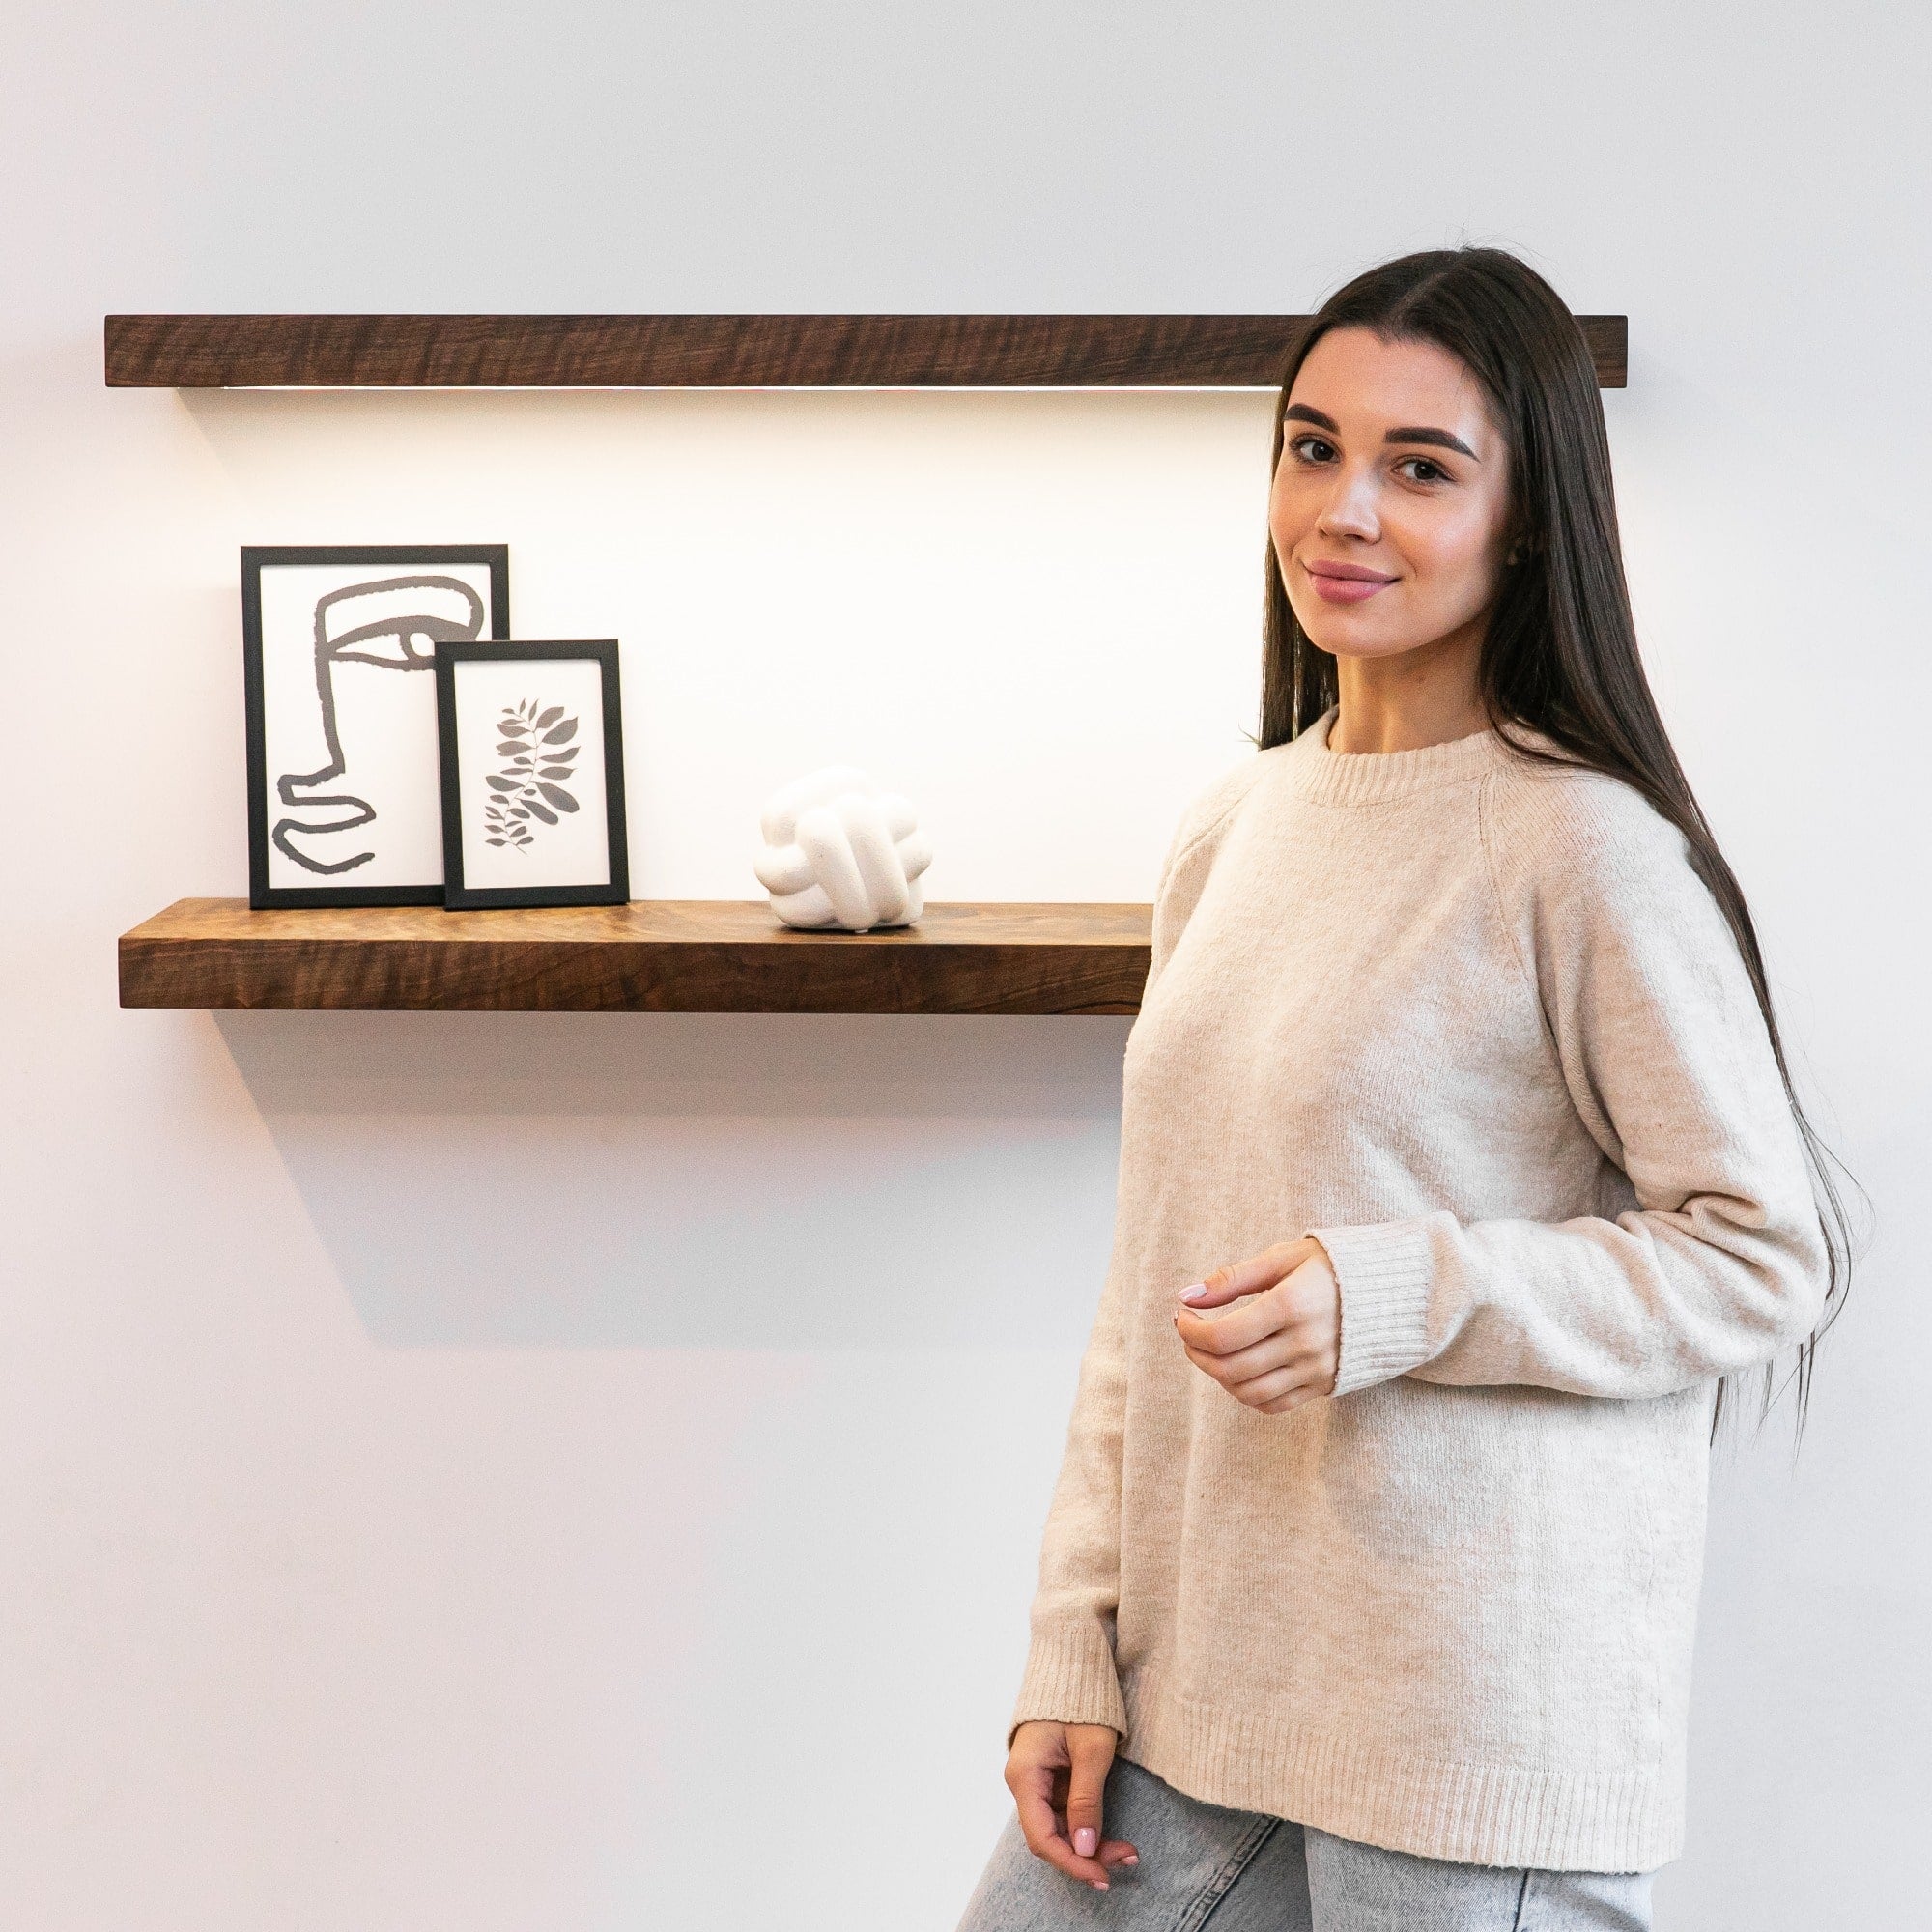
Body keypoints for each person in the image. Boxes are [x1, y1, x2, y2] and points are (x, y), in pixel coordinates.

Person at [956, 247, 1850, 1932]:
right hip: (1195, 1690)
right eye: (1312, 448)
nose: (1343, 510)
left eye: (1420, 469)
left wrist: (1401, 1289)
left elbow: (1762, 1254)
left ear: (1529, 522)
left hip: (1464, 1730)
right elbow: (1151, 1272)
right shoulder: (1238, 826)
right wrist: (1073, 1634)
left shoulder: (1585, 850)